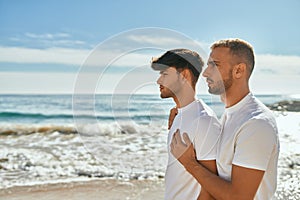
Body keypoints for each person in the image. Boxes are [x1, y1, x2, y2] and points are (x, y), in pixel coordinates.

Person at [170, 39, 280, 200]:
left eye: (215, 65)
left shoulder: (256, 124)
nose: (206, 73)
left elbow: (239, 197)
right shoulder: (231, 114)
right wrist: (183, 112)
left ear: (239, 71)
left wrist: (190, 164)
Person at [151, 49, 221, 200]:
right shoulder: (179, 115)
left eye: (164, 74)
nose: (158, 81)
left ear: (184, 75)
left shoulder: (204, 121)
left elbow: (211, 190)